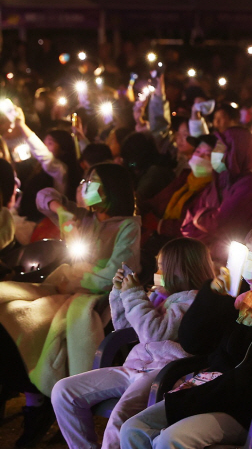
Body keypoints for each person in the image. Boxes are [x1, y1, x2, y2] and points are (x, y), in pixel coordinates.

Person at [120, 220, 252, 448]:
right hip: (207, 390)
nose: (250, 257)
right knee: (132, 428)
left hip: (244, 410)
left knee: (170, 439)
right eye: (248, 250)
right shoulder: (235, 296)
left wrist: (195, 398)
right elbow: (192, 343)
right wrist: (212, 296)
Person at [0, 163, 139, 447]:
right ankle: (25, 388)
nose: (85, 186)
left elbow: (118, 270)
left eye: (93, 181)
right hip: (64, 286)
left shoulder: (128, 225)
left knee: (24, 315)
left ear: (111, 188)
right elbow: (43, 195)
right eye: (85, 180)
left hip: (92, 296)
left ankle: (36, 394)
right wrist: (61, 210)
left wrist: (80, 277)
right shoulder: (85, 217)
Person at [51, 238, 215, 449]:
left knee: (119, 420)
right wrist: (121, 293)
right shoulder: (162, 297)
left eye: (161, 267)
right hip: (136, 367)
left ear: (179, 270)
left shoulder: (192, 302)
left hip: (164, 373)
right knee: (64, 391)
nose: (157, 272)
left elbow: (154, 334)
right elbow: (126, 329)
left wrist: (135, 295)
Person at [180, 127, 252, 262]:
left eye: (220, 148)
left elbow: (221, 225)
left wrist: (200, 219)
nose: (215, 153)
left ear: (235, 152)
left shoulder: (249, 187)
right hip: (211, 258)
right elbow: (187, 226)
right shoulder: (218, 182)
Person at [120, 132, 175, 203]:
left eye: (126, 159)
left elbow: (135, 201)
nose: (124, 162)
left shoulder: (154, 173)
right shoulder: (155, 168)